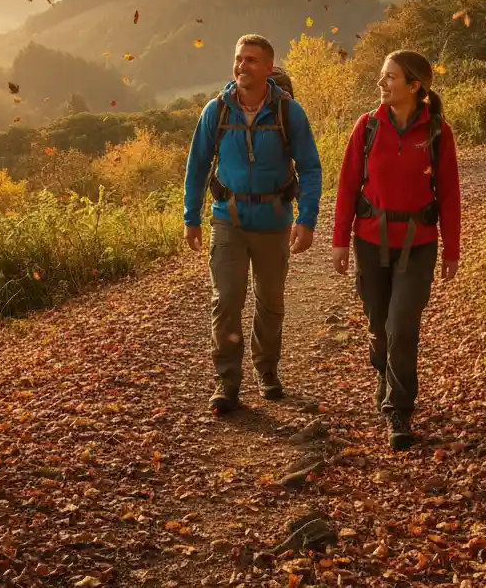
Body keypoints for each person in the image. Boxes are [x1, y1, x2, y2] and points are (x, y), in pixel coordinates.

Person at [184, 34, 323, 414]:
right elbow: (197, 165)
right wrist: (190, 217)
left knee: (270, 301)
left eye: (250, 60)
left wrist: (306, 220)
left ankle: (267, 371)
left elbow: (310, 168)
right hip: (227, 219)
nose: (242, 66)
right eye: (238, 58)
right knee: (226, 301)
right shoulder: (217, 110)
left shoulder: (288, 112)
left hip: (274, 220)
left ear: (267, 67)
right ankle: (227, 382)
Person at [330, 50, 461, 450]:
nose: (382, 83)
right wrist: (338, 241)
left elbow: (450, 194)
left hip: (418, 245)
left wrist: (451, 250)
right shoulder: (366, 127)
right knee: (379, 328)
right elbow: (348, 186)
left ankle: (399, 409)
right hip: (370, 242)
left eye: (390, 77)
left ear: (414, 85)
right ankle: (384, 375)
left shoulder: (438, 132)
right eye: (381, 76)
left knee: (401, 326)